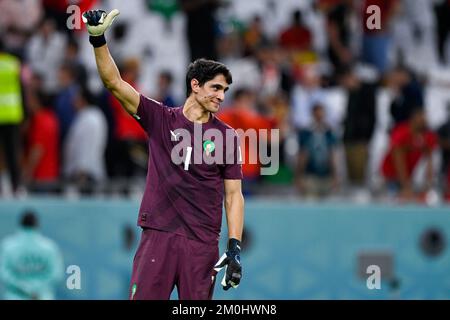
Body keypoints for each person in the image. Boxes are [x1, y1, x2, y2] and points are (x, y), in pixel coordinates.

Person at [82, 9, 244, 300]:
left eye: (225, 90)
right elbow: (114, 84)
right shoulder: (160, 118)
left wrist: (234, 248)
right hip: (158, 234)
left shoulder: (227, 137)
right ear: (195, 85)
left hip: (202, 244)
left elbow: (233, 195)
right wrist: (98, 40)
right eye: (215, 88)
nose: (221, 96)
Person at [0, 210, 64, 300]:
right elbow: (56, 274)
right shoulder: (49, 247)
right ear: (37, 225)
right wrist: (36, 288)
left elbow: (4, 273)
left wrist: (24, 287)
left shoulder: (8, 246)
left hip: (15, 296)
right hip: (42, 296)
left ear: (20, 225)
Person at [381, 107, 438, 201]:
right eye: (421, 117)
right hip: (390, 176)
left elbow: (430, 162)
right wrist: (406, 186)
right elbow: (399, 162)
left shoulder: (427, 136)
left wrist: (429, 185)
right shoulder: (402, 132)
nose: (424, 120)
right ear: (413, 119)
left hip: (409, 177)